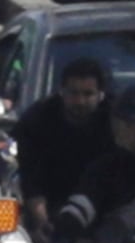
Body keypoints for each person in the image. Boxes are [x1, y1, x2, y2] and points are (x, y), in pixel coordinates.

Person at [14, 53, 121, 217]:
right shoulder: (37, 121)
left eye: (88, 94)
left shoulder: (118, 121)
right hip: (54, 202)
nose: (80, 101)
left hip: (107, 209)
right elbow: (31, 178)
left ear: (101, 95)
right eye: (73, 93)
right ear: (62, 92)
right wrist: (41, 220)